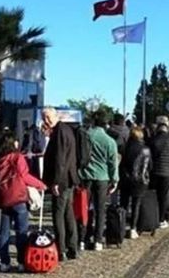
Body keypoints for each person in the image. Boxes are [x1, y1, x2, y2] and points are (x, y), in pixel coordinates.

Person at [0, 134, 46, 272]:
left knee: (3, 231)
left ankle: (5, 262)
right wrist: (40, 185)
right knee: (21, 231)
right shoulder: (17, 157)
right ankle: (22, 261)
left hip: (4, 199)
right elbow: (24, 176)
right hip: (19, 198)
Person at [41, 107, 80, 261]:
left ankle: (62, 248)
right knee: (68, 214)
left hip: (62, 180)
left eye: (48, 117)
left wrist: (56, 182)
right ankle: (72, 247)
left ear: (56, 116)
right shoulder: (65, 130)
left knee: (59, 215)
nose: (46, 120)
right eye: (44, 118)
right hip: (68, 178)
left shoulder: (60, 132)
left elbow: (60, 159)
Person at [78, 111, 119, 251]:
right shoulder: (109, 141)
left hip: (85, 176)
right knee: (100, 210)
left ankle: (83, 238)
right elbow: (113, 163)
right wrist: (114, 180)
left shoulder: (85, 136)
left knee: (84, 208)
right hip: (102, 177)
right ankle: (98, 240)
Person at [120, 127, 152, 239]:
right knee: (136, 205)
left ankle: (121, 226)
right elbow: (150, 166)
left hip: (126, 180)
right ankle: (133, 228)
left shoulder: (125, 149)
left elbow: (122, 165)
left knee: (123, 204)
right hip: (141, 180)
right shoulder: (146, 149)